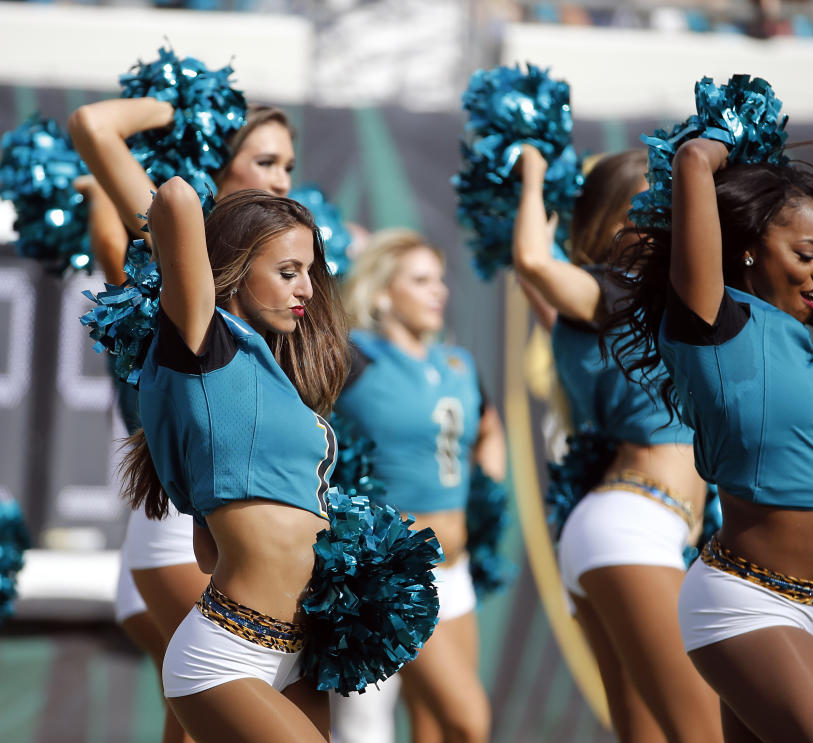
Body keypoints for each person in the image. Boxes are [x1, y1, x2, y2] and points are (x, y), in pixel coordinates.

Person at [606, 136, 813, 742]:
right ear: (750, 249)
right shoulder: (715, 324)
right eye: (808, 252)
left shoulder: (791, 337)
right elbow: (690, 161)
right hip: (748, 604)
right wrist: (724, 140)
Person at [69, 102, 297, 743]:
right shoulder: (183, 275)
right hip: (186, 518)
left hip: (240, 530)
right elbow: (93, 126)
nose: (281, 179)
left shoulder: (280, 288)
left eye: (288, 165)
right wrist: (184, 105)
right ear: (215, 167)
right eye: (264, 161)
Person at [512, 144, 721, 743]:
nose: (665, 223)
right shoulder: (614, 292)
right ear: (614, 222)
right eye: (650, 209)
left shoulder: (615, 314)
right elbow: (532, 260)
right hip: (634, 526)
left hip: (624, 528)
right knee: (704, 732)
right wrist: (533, 170)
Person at [128, 179, 348, 740]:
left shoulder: (276, 378)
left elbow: (210, 549)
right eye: (287, 271)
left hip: (300, 653)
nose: (307, 290)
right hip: (227, 654)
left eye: (309, 273)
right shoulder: (204, 342)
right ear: (235, 266)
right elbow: (175, 197)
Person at [333, 228, 507, 743]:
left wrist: (486, 492)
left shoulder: (456, 364)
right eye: (420, 280)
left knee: (434, 727)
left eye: (440, 279)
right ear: (383, 292)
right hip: (393, 571)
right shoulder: (354, 357)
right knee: (464, 721)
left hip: (456, 570)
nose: (439, 290)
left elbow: (489, 427)